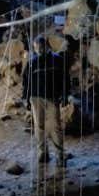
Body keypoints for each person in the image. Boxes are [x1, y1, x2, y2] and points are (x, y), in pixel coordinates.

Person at [21, 35, 68, 168]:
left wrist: (64, 95)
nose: (39, 50)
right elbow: (26, 82)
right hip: (36, 98)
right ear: (34, 48)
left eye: (41, 47)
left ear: (47, 46)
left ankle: (60, 155)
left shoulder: (57, 60)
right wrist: (27, 99)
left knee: (56, 126)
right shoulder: (31, 63)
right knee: (39, 126)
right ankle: (43, 153)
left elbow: (65, 79)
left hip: (52, 97)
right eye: (36, 48)